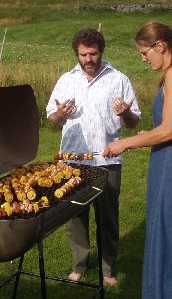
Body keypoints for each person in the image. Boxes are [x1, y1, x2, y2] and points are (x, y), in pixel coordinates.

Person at [103, 21, 172, 298]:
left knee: (171, 237)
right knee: (170, 233)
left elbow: (170, 130)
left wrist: (125, 142)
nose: (143, 58)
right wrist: (153, 133)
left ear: (160, 46)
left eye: (144, 52)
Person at [46, 28, 141, 286]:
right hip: (72, 161)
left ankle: (108, 269)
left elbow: (132, 123)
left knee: (107, 217)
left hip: (107, 160)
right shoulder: (66, 80)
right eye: (83, 54)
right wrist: (60, 115)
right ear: (77, 53)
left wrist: (125, 113)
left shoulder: (119, 79)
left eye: (93, 53)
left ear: (102, 51)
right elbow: (52, 121)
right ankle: (79, 264)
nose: (89, 59)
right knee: (75, 217)